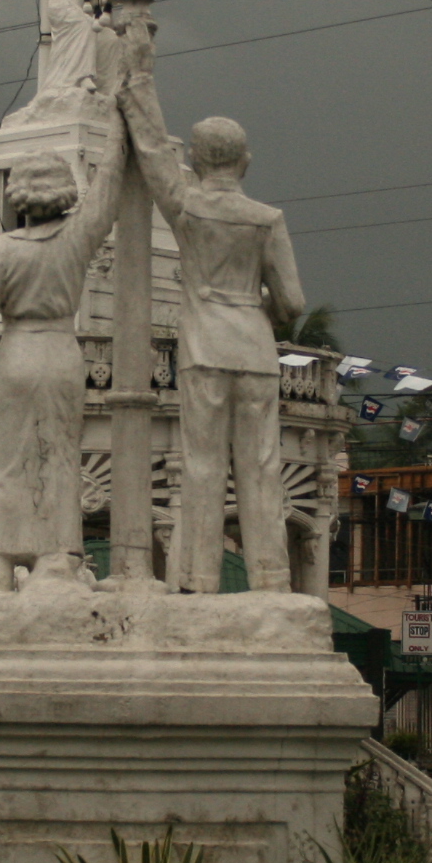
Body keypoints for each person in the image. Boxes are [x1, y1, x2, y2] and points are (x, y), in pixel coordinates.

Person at [116, 70, 307, 593]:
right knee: (262, 466)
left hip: (204, 347)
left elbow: (154, 153)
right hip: (255, 347)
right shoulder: (267, 219)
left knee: (201, 466)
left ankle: (199, 579)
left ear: (197, 162)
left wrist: (133, 92)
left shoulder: (188, 206)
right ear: (245, 161)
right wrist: (254, 308)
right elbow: (292, 302)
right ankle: (271, 578)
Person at [0, 145, 125, 590]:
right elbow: (107, 192)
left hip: (16, 357)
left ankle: (2, 565)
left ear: (17, 195)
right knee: (60, 460)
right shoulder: (78, 236)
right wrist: (121, 128)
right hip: (61, 354)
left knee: (8, 465)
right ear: (64, 192)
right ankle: (58, 555)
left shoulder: (1, 249)